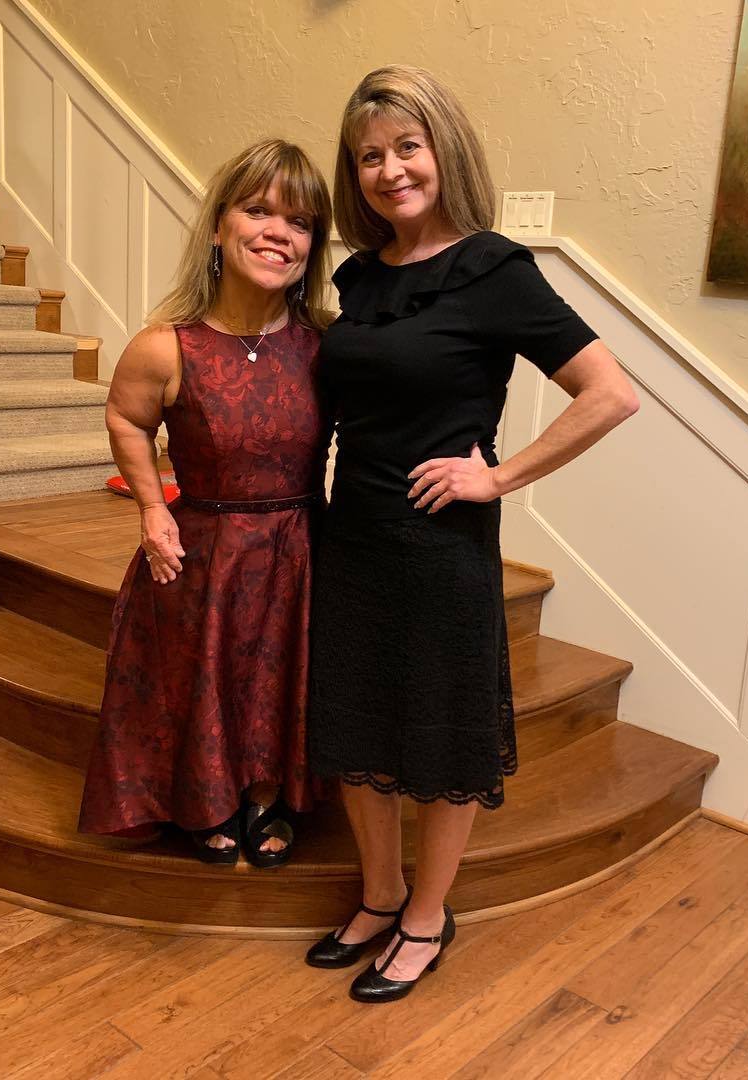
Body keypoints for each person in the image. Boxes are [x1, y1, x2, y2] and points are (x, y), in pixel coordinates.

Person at [304, 66, 639, 1000]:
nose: (390, 170)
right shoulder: (360, 276)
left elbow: (610, 394)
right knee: (357, 718)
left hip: (441, 546)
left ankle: (425, 916)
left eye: (408, 147)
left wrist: (496, 477)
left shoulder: (495, 269)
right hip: (353, 534)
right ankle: (379, 894)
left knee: (440, 732)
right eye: (369, 155)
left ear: (444, 149)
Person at [78, 139, 333, 869]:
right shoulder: (166, 345)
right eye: (258, 211)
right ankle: (205, 799)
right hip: (204, 550)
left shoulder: (327, 343)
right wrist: (151, 507)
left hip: (299, 546)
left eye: (300, 222)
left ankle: (268, 795)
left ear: (312, 246)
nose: (278, 233)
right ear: (220, 225)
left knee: (278, 675)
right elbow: (127, 418)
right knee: (206, 674)